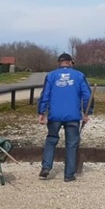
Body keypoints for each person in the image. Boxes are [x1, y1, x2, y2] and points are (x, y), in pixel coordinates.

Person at [37, 53, 92, 182]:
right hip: (73, 116)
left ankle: (46, 167)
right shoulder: (79, 75)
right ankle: (69, 175)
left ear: (58, 63)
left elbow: (44, 95)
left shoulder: (51, 76)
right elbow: (88, 96)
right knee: (72, 144)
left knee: (51, 140)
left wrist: (41, 112)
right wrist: (87, 112)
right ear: (70, 62)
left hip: (55, 115)